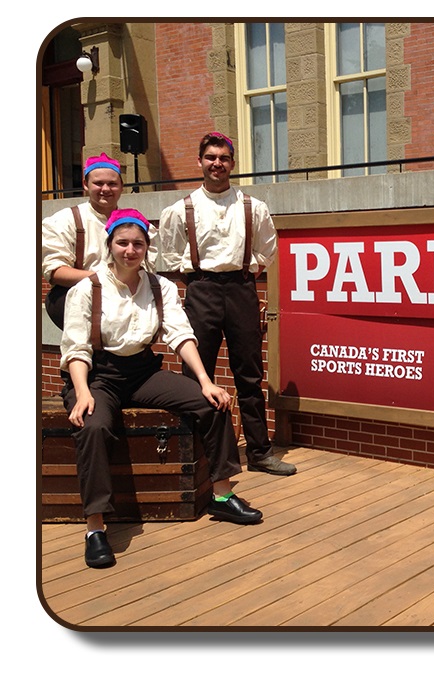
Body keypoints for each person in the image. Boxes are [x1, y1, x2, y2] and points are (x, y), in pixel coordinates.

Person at [61, 209, 263, 569]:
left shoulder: (161, 286)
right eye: (122, 242)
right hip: (96, 374)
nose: (130, 250)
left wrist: (205, 381)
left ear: (146, 248)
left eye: (137, 243)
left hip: (142, 369)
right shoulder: (86, 288)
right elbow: (75, 347)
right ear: (109, 245)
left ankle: (221, 495)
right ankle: (94, 528)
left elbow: (180, 335)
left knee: (210, 404)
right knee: (92, 426)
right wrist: (83, 390)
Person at [158, 132, 295, 476]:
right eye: (210, 157)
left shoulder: (253, 206)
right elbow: (170, 253)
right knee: (195, 374)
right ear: (200, 162)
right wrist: (194, 278)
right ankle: (199, 453)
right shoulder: (180, 209)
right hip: (200, 290)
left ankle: (260, 452)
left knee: (249, 374)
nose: (216, 163)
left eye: (223, 158)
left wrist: (248, 272)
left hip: (241, 290)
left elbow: (268, 249)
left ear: (232, 164)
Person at [42, 153, 156, 329]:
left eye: (112, 184)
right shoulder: (65, 221)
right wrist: (106, 281)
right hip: (82, 301)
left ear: (121, 186)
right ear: (85, 185)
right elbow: (55, 271)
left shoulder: (139, 226)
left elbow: (147, 271)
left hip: (127, 301)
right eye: (98, 183)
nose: (105, 189)